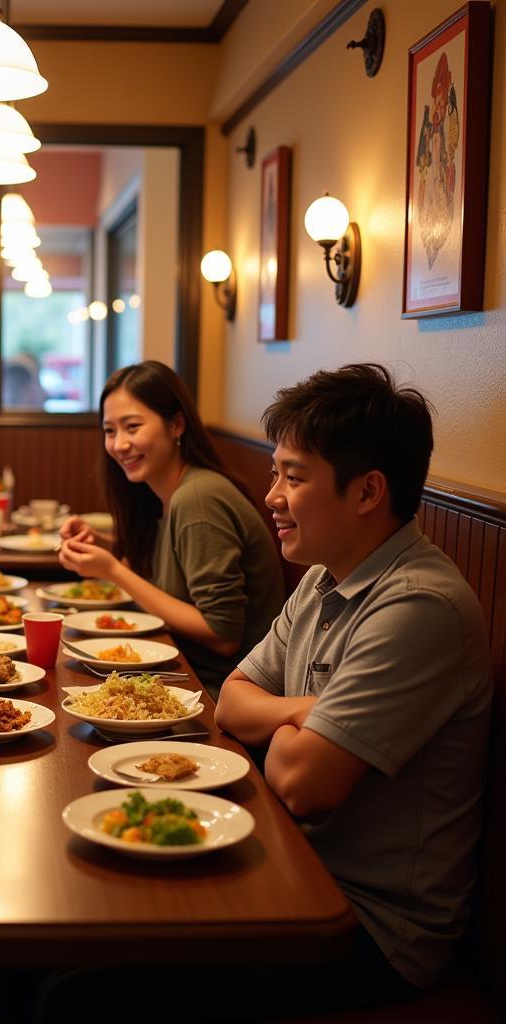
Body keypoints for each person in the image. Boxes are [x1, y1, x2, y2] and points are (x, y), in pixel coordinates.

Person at [212, 363, 492, 1001]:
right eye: (275, 471)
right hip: (297, 865)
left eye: (294, 476)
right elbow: (230, 699)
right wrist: (304, 711)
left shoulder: (419, 607)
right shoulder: (323, 575)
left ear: (367, 493)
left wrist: (280, 728)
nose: (272, 496)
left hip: (372, 926)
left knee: (82, 995)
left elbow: (302, 783)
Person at [58, 360, 284, 694]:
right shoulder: (163, 492)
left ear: (176, 425)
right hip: (177, 672)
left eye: (132, 427)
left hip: (214, 692)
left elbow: (222, 635)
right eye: (110, 430)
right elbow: (171, 566)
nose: (119, 444)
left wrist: (113, 571)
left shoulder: (197, 498)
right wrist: (105, 545)